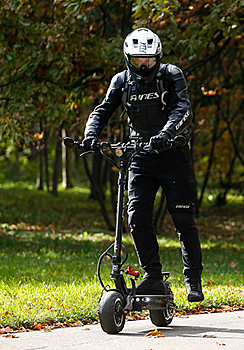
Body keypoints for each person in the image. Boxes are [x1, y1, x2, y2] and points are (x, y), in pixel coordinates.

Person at [82, 28, 204, 302]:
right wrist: (90, 135)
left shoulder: (172, 75)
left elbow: (183, 109)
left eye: (149, 59)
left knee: (183, 218)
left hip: (173, 154)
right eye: (138, 59)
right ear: (128, 58)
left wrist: (165, 134)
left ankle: (192, 278)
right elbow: (103, 109)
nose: (144, 65)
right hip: (140, 155)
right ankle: (153, 277)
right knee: (136, 218)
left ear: (158, 57)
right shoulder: (122, 81)